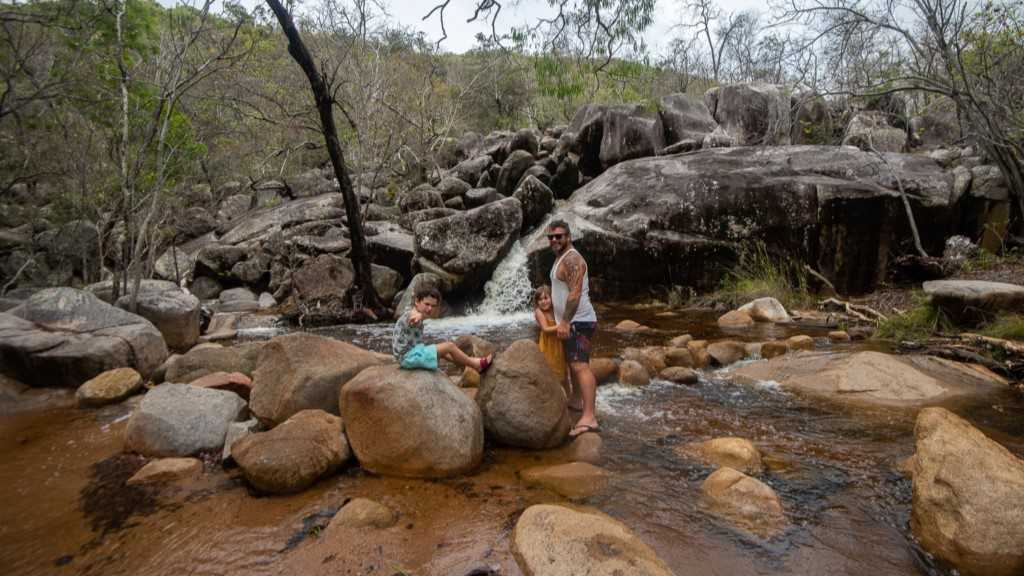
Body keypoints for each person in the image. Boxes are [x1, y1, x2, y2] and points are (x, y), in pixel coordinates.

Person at [547, 219, 600, 437]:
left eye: (559, 236)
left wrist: (566, 322)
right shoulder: (561, 258)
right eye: (551, 237)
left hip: (579, 321)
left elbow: (575, 293)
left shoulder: (573, 260)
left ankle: (589, 417)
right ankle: (577, 401)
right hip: (571, 321)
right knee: (573, 364)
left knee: (580, 367)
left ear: (568, 237)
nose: (554, 240)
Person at [393, 286, 493, 373]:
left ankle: (468, 364)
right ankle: (476, 365)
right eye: (427, 304)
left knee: (444, 352)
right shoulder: (411, 315)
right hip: (408, 358)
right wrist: (418, 316)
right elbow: (413, 316)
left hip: (412, 354)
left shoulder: (416, 314)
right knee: (449, 346)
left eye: (433, 306)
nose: (430, 309)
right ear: (417, 302)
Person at [533, 285, 574, 407]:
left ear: (552, 298)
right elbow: (545, 329)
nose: (544, 302)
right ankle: (551, 400)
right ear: (537, 302)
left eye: (546, 298)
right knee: (550, 371)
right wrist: (563, 324)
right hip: (548, 345)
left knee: (564, 371)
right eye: (540, 299)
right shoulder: (539, 312)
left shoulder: (555, 310)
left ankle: (569, 398)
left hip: (559, 343)